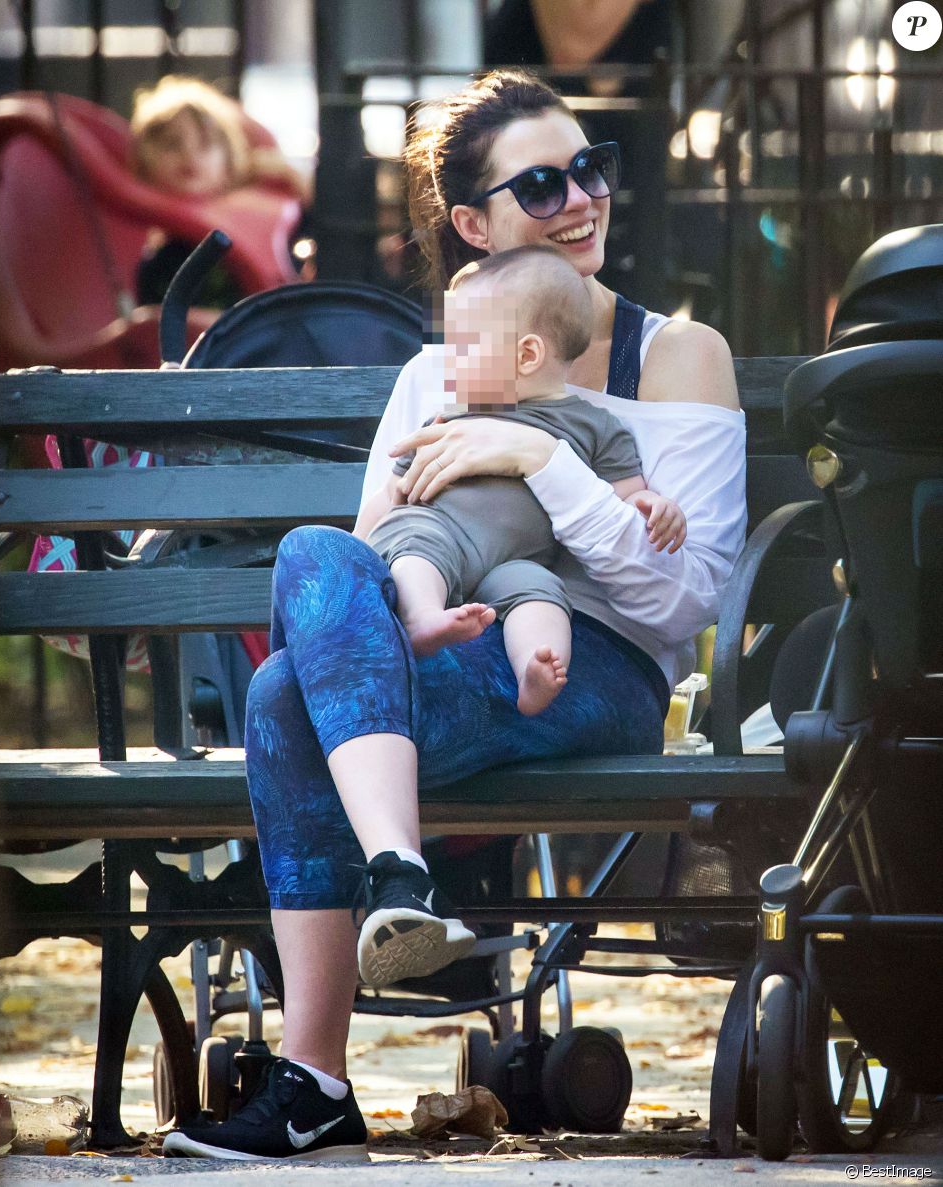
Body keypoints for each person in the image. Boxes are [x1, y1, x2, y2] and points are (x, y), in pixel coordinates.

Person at [163, 68, 744, 1164]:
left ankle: (314, 1077)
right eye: (540, 184)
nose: (579, 198)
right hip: (446, 643)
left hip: (586, 668)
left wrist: (538, 457)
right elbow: (372, 563)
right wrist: (425, 584)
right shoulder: (438, 369)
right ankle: (392, 891)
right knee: (308, 578)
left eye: (589, 167)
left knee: (286, 699)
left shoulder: (675, 355)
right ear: (472, 224)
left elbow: (681, 597)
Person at [360, 245, 686, 717]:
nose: (448, 363)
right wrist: (356, 547)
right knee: (415, 545)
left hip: (518, 562)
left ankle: (536, 669)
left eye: (462, 348)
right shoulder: (448, 416)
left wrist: (659, 507)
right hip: (441, 533)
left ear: (527, 355)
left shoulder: (596, 427)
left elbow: (628, 500)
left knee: (541, 593)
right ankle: (424, 619)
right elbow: (393, 495)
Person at [129, 75, 311, 306]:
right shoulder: (157, 264)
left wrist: (296, 182)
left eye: (205, 144)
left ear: (229, 163)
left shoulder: (270, 223)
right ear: (145, 167)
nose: (189, 154)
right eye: (172, 144)